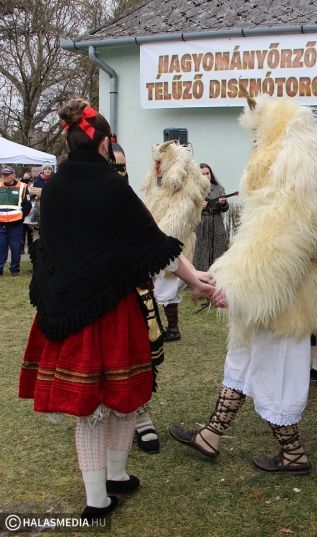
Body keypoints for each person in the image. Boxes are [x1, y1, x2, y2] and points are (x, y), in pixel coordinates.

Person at [18, 98, 215, 521]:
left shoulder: (53, 188)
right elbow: (152, 242)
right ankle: (107, 486)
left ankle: (106, 488)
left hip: (68, 314)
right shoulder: (112, 186)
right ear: (105, 143)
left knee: (90, 410)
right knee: (122, 399)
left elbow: (47, 250)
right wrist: (195, 278)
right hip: (112, 311)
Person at [169, 95, 317, 474]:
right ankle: (211, 434)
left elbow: (276, 246)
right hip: (278, 289)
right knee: (242, 359)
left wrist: (235, 288)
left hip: (283, 295)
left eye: (258, 136)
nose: (254, 144)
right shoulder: (308, 172)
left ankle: (293, 453)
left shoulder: (293, 175)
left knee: (275, 371)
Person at [141, 141, 210, 343]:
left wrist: (152, 243)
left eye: (161, 163)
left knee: (167, 288)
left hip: (172, 248)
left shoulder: (185, 193)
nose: (157, 168)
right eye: (156, 163)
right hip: (158, 247)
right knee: (156, 288)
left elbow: (172, 226)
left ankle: (172, 328)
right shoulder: (159, 189)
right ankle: (162, 327)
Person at [192, 163, 229, 272]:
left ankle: (218, 276)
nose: (206, 176)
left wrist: (223, 203)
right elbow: (189, 211)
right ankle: (200, 277)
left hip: (217, 224)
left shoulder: (218, 189)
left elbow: (225, 208)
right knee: (200, 253)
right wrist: (199, 208)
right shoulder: (194, 190)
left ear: (211, 174)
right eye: (202, 174)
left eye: (207, 173)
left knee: (218, 252)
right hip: (201, 226)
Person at [0, 165, 31, 276]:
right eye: (4, 174)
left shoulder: (23, 187)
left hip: (16, 225)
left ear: (14, 175)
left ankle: (15, 269)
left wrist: (21, 217)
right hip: (1, 225)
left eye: (8, 174)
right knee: (1, 248)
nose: (5, 176)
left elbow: (27, 205)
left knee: (16, 248)